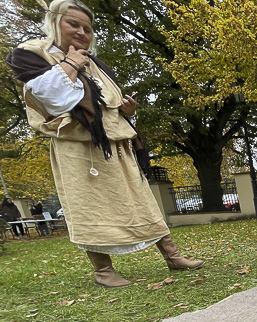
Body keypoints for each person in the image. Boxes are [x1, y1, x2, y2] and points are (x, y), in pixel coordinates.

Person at [6, 0, 203, 287]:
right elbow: (55, 99)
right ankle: (104, 272)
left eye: (87, 28)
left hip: (116, 142)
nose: (82, 32)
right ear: (54, 22)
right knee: (90, 205)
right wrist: (72, 62)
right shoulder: (34, 55)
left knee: (142, 198)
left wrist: (127, 111)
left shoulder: (95, 64)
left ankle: (173, 256)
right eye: (73, 23)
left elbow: (106, 104)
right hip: (77, 145)